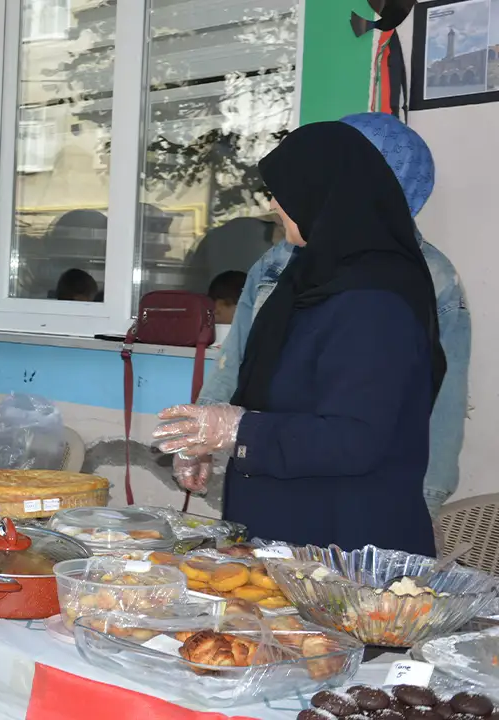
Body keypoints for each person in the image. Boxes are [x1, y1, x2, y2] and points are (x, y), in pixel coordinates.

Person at [154, 121, 445, 556]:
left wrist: (237, 430)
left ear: (326, 193)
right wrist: (209, 435)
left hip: (345, 547)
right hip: (283, 530)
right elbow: (265, 385)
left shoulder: (376, 300)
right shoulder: (304, 278)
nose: (273, 204)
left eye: (282, 191)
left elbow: (355, 439)